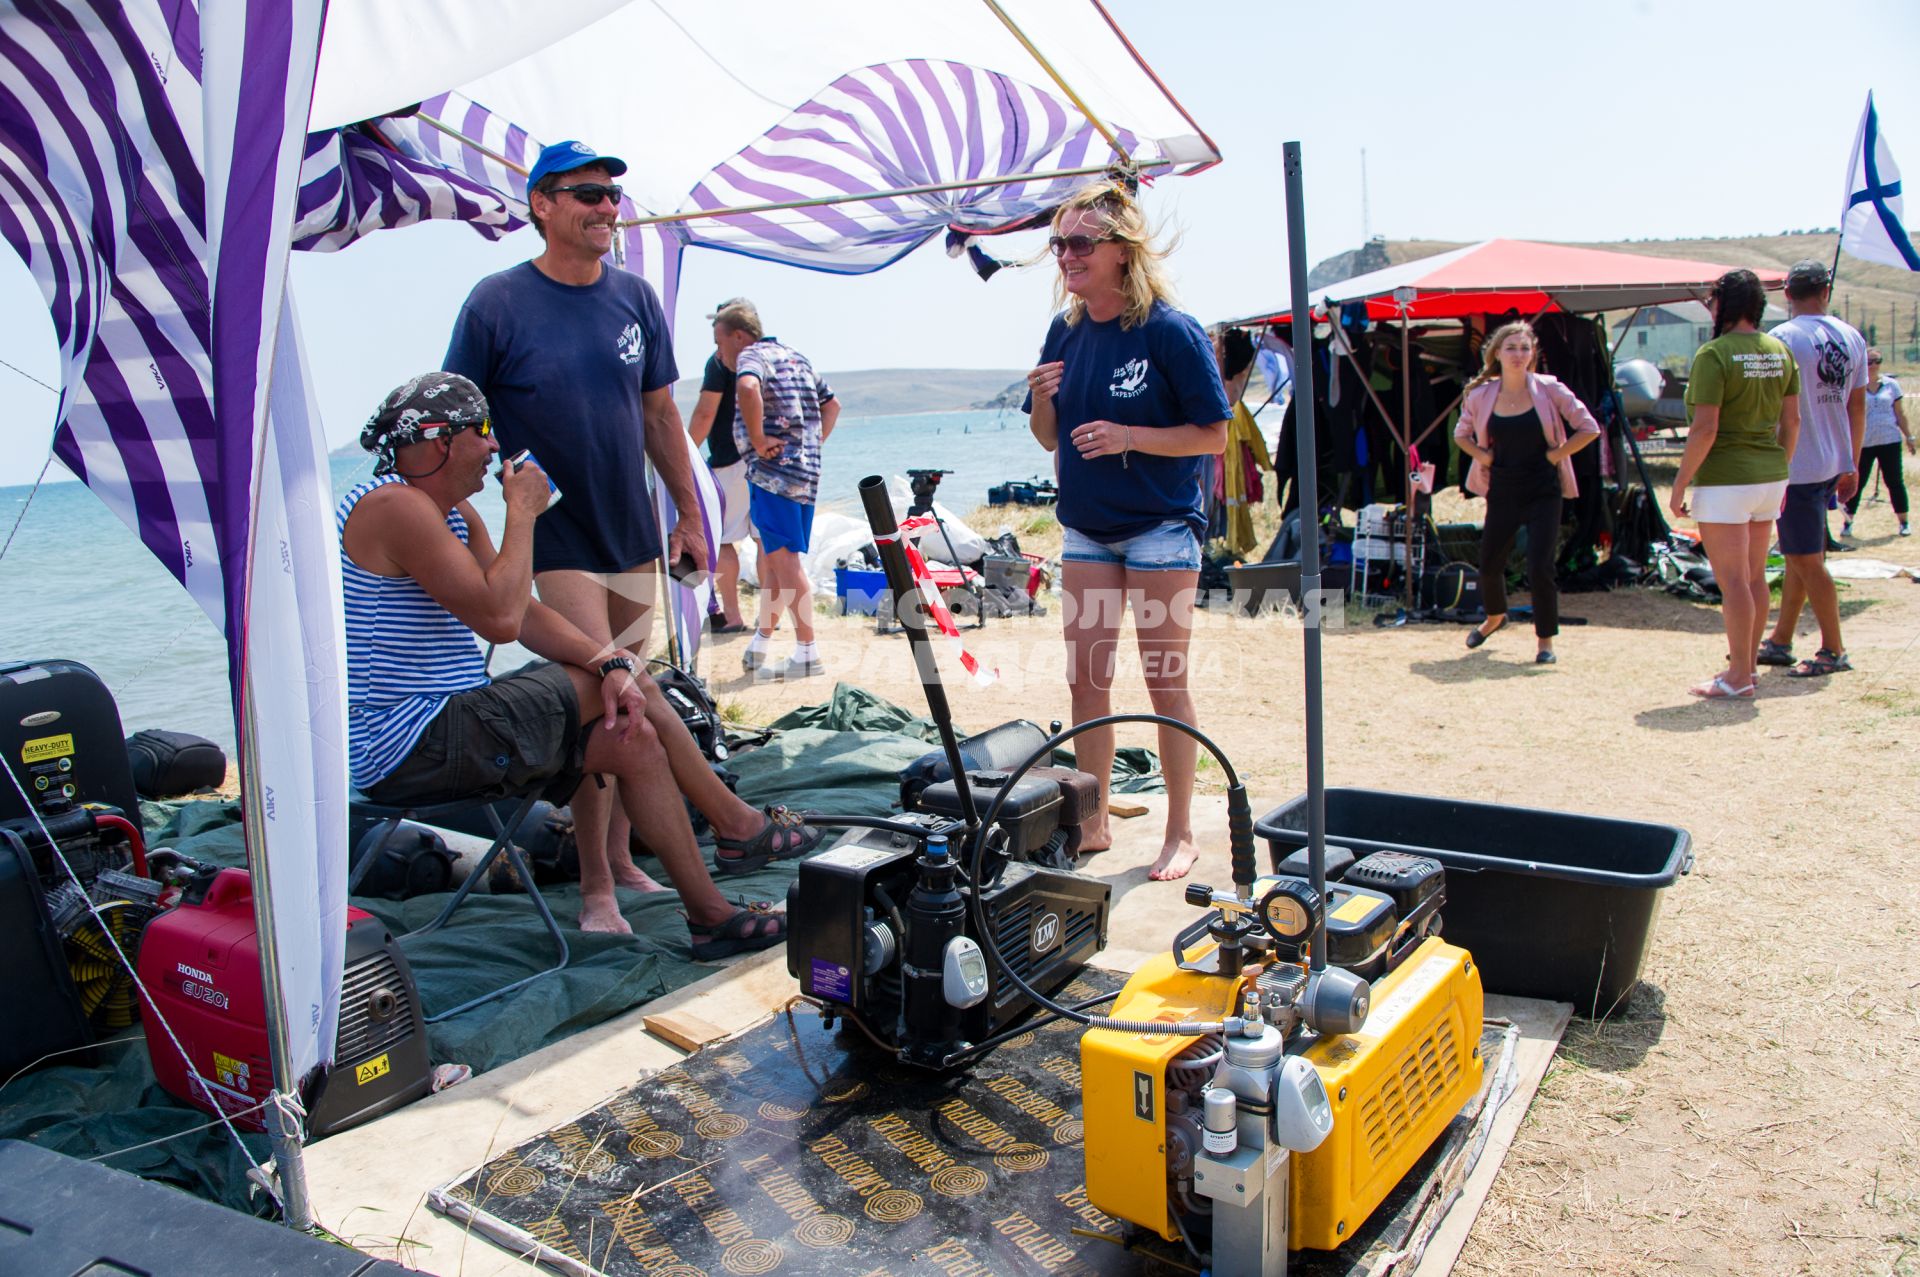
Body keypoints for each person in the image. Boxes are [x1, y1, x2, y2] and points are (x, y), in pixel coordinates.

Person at [444, 141, 819, 885]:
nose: (607, 208)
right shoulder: (496, 302)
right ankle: (599, 882)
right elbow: (460, 416)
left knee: (628, 701)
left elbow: (658, 419)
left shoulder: (635, 299)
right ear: (542, 205)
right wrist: (487, 516)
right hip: (554, 533)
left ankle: (620, 855)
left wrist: (689, 514)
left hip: (631, 527)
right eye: (587, 195)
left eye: (613, 195)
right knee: (611, 695)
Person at [341, 372, 788, 953]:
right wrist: (523, 515)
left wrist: (609, 662)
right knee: (622, 683)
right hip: (408, 741)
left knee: (630, 732)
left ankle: (710, 915)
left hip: (448, 724)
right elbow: (500, 622)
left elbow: (525, 613)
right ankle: (738, 827)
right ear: (436, 440)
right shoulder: (394, 505)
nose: (494, 446)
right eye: (480, 429)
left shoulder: (447, 513)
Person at [1022, 180, 1231, 882]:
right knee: (1087, 681)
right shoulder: (1065, 331)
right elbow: (1047, 435)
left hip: (1162, 530)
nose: (1067, 256)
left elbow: (1215, 436)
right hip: (1086, 528)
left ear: (1121, 251)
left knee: (1165, 680)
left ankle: (1180, 830)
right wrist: (1043, 402)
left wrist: (1128, 437)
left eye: (1081, 243)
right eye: (1059, 244)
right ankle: (1094, 819)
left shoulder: (1171, 331)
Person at [1668, 270, 1801, 700]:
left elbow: (1704, 429)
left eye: (1711, 300)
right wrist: (1780, 467)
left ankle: (1739, 675)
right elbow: (1792, 421)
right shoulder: (1779, 350)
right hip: (1770, 475)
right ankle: (1746, 669)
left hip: (1727, 480)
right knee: (1756, 578)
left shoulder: (1714, 354)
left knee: (1734, 583)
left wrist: (1679, 483)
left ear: (1724, 303)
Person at [1453, 322, 1601, 664]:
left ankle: (1545, 643)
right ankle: (1494, 618)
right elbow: (1461, 435)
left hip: (1543, 488)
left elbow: (1588, 427)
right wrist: (1484, 455)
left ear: (1533, 353)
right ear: (1497, 354)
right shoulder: (1481, 394)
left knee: (1539, 566)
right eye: (1511, 348)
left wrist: (1555, 455)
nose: (1518, 354)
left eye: (1524, 348)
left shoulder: (1549, 389)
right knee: (1489, 564)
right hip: (1502, 486)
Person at [1757, 260, 1867, 678]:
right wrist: (1850, 462)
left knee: (1804, 557)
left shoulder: (1781, 338)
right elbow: (1856, 406)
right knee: (1801, 555)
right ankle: (1781, 639)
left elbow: (1772, 410)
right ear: (1827, 290)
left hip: (1796, 464)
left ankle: (1833, 648)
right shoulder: (1851, 336)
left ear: (1787, 295)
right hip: (1830, 461)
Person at [734, 321, 839, 680]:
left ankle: (808, 651)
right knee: (777, 560)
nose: (722, 354)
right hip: (805, 474)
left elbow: (748, 386)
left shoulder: (752, 355)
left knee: (785, 562)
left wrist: (759, 438)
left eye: (720, 342)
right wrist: (811, 444)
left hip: (773, 475)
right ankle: (762, 641)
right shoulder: (797, 358)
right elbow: (833, 405)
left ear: (737, 334)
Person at [687, 298, 760, 632]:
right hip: (764, 462)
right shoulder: (767, 358)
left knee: (723, 540)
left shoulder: (719, 363)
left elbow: (705, 413)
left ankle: (731, 616)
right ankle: (768, 620)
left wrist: (685, 455)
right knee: (765, 541)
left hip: (730, 461)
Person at [1843, 348, 1912, 537]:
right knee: (1858, 481)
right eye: (1869, 362)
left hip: (1889, 439)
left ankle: (1903, 522)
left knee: (1895, 481)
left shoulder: (1892, 385)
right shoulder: (1855, 385)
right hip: (1864, 442)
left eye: (1877, 361)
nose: (1873, 366)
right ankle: (1848, 522)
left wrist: (1909, 436)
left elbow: (1900, 413)